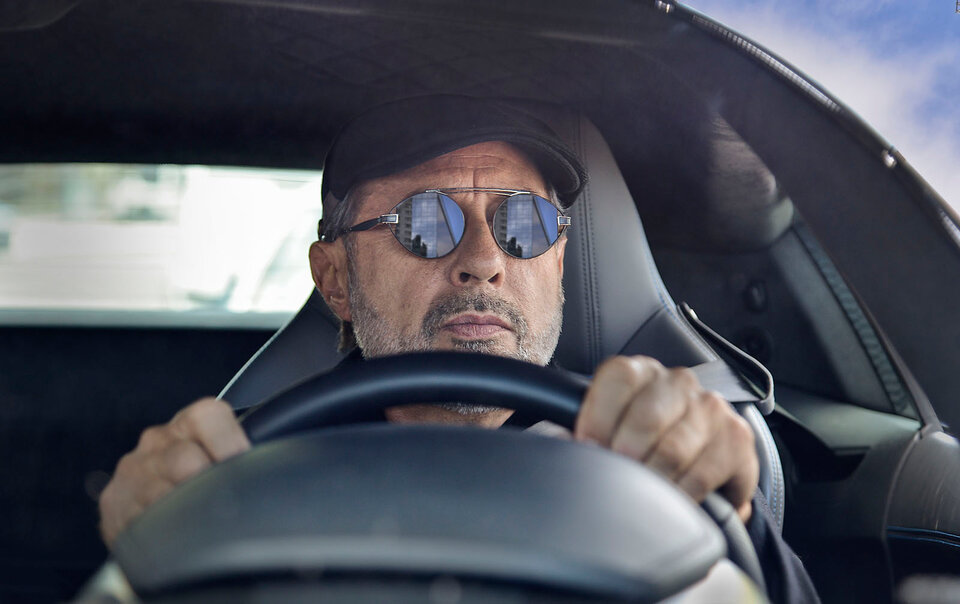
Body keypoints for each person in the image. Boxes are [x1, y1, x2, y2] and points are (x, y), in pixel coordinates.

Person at [98, 95, 818, 602]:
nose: (483, 260)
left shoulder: (651, 457)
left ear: (557, 263)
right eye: (425, 223)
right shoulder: (236, 473)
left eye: (525, 224)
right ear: (336, 279)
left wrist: (736, 522)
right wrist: (143, 540)